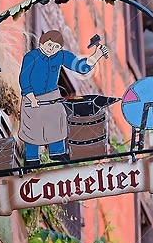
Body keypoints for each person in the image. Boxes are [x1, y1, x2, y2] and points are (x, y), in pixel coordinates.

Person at [18, 29, 108, 165]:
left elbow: (80, 67)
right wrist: (31, 98)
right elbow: (24, 78)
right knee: (32, 126)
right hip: (32, 96)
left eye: (56, 47)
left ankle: (57, 152)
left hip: (52, 95)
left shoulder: (61, 56)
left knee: (58, 119)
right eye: (49, 45)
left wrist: (97, 55)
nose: (51, 49)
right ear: (42, 43)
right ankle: (31, 158)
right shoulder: (31, 57)